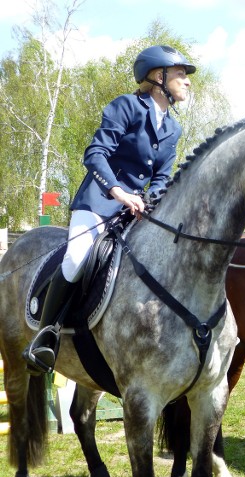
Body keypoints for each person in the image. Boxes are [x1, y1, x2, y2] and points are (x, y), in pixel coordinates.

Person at [23, 45, 195, 375]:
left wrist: (150, 201)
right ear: (158, 77)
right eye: (180, 74)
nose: (186, 81)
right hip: (98, 202)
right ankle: (45, 338)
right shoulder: (126, 106)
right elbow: (95, 153)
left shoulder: (173, 129)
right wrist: (118, 191)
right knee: (77, 258)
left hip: (133, 212)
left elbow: (162, 176)